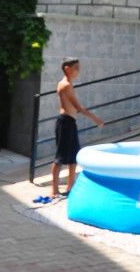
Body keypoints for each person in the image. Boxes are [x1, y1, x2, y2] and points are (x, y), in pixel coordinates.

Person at [51, 57, 104, 199]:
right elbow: (77, 106)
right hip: (65, 122)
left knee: (74, 156)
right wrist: (94, 118)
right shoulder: (65, 85)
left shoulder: (69, 84)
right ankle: (54, 190)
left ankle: (70, 187)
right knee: (60, 157)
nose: (78, 71)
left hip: (70, 122)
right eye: (76, 68)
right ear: (67, 68)